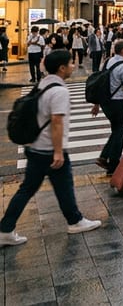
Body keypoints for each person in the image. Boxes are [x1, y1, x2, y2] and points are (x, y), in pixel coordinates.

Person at [0, 50, 103, 246]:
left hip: (35, 147)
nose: (73, 66)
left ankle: (6, 229)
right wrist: (58, 151)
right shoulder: (59, 91)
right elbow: (56, 122)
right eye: (71, 63)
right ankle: (75, 221)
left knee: (30, 189)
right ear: (62, 68)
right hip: (49, 149)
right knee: (62, 186)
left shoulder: (44, 83)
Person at [91, 40, 123, 176]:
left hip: (105, 102)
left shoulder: (108, 61)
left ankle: (107, 160)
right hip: (117, 102)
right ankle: (110, 162)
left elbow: (101, 83)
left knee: (116, 130)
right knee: (120, 131)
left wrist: (97, 104)